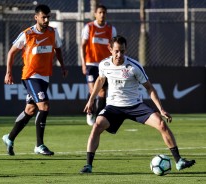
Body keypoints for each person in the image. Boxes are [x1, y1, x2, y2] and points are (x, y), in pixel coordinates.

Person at [80, 35, 196, 173]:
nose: (119, 55)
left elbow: (149, 88)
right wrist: (91, 99)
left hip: (135, 106)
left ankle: (179, 161)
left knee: (161, 124)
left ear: (125, 50)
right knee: (97, 126)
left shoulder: (134, 67)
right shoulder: (104, 64)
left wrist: (161, 109)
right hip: (114, 107)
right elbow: (100, 80)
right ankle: (88, 165)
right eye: (116, 51)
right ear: (110, 49)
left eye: (122, 51)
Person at [2, 4, 68, 156]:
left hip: (44, 76)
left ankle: (9, 138)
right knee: (44, 106)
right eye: (43, 17)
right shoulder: (28, 34)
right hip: (31, 76)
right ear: (36, 17)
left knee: (30, 110)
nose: (46, 20)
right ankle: (39, 145)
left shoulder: (53, 32)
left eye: (48, 17)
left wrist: (63, 66)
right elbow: (11, 52)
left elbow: (58, 48)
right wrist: (8, 72)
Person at [81, 4, 117, 126]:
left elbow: (115, 47)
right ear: (95, 14)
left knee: (102, 92)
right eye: (100, 12)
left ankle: (99, 116)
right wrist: (83, 63)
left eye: (104, 12)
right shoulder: (89, 27)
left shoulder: (111, 29)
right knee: (93, 90)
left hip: (106, 65)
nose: (102, 15)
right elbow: (82, 45)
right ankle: (89, 112)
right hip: (91, 63)